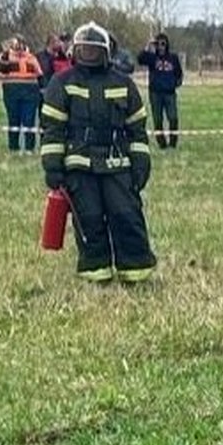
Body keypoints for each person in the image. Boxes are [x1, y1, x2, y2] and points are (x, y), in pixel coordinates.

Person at [40, 22, 155, 283]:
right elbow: (52, 130)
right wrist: (53, 168)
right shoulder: (62, 83)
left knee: (127, 214)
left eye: (94, 49)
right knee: (88, 218)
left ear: (107, 52)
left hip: (118, 164)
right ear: (75, 51)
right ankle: (95, 270)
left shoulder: (124, 84)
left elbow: (137, 130)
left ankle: (135, 269)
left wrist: (141, 163)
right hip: (79, 166)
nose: (89, 54)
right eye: (84, 49)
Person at [0, 35, 43, 154]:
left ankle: (29, 148)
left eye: (21, 43)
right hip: (11, 91)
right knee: (13, 120)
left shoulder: (31, 57)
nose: (19, 46)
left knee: (29, 120)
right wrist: (5, 53)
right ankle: (13, 147)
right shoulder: (5, 56)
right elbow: (1, 68)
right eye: (16, 43)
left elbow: (39, 74)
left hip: (30, 92)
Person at [137, 32, 184, 149]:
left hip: (169, 93)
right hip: (155, 93)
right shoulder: (152, 58)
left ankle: (173, 144)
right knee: (158, 120)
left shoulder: (173, 58)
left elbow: (179, 74)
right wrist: (148, 46)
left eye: (163, 44)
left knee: (173, 118)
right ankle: (162, 144)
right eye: (159, 44)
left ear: (167, 45)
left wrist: (174, 84)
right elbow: (140, 59)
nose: (161, 46)